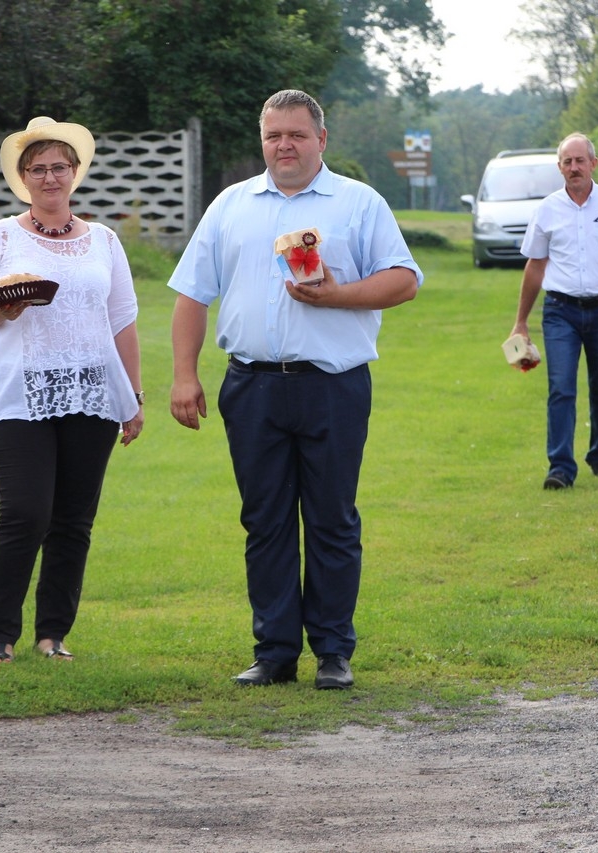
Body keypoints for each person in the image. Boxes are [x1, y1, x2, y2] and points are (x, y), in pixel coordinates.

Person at [167, 89, 421, 690]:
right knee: (265, 521)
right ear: (263, 141)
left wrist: (338, 295)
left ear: (321, 140)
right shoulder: (231, 206)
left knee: (332, 519)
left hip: (331, 385)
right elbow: (192, 294)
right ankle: (275, 652)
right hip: (251, 385)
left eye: (297, 134)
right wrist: (184, 374)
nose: (285, 145)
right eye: (274, 134)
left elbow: (403, 280)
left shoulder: (357, 203)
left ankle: (333, 651)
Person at [0, 117, 145, 663]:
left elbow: (123, 321)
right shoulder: (1, 236)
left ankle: (53, 634)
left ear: (75, 172)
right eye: (37, 169)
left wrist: (132, 398)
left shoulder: (105, 241)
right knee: (25, 513)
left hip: (91, 393)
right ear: (23, 178)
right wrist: (1, 306)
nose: (49, 177)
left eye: (59, 166)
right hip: (18, 393)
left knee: (73, 520)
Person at [508, 132, 598, 490]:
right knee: (561, 388)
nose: (574, 168)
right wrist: (521, 322)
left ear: (593, 164)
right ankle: (560, 468)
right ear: (560, 168)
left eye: (580, 161)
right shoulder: (547, 209)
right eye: (567, 162)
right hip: (561, 312)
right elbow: (535, 267)